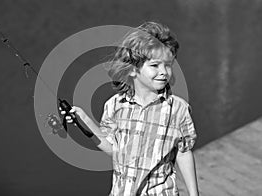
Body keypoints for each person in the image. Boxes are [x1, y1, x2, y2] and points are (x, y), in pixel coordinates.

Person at [60, 21, 199, 196]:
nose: (164, 71)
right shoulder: (114, 106)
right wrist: (85, 121)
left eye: (168, 65)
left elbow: (183, 153)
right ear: (133, 70)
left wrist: (194, 194)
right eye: (155, 65)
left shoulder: (178, 109)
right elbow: (114, 151)